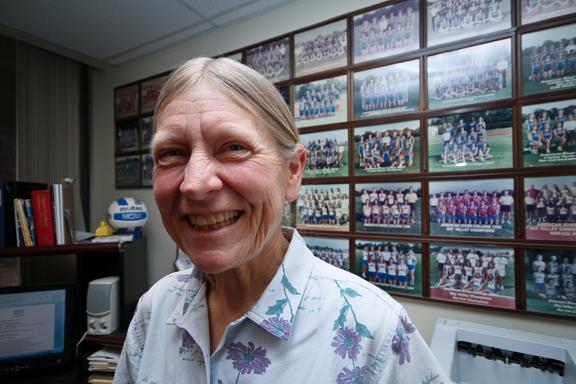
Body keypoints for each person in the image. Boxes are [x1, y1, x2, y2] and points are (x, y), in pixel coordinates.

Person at [113, 57, 448, 383]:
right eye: (172, 153)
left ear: (292, 172)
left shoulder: (374, 330)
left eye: (233, 147)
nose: (195, 183)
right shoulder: (153, 310)